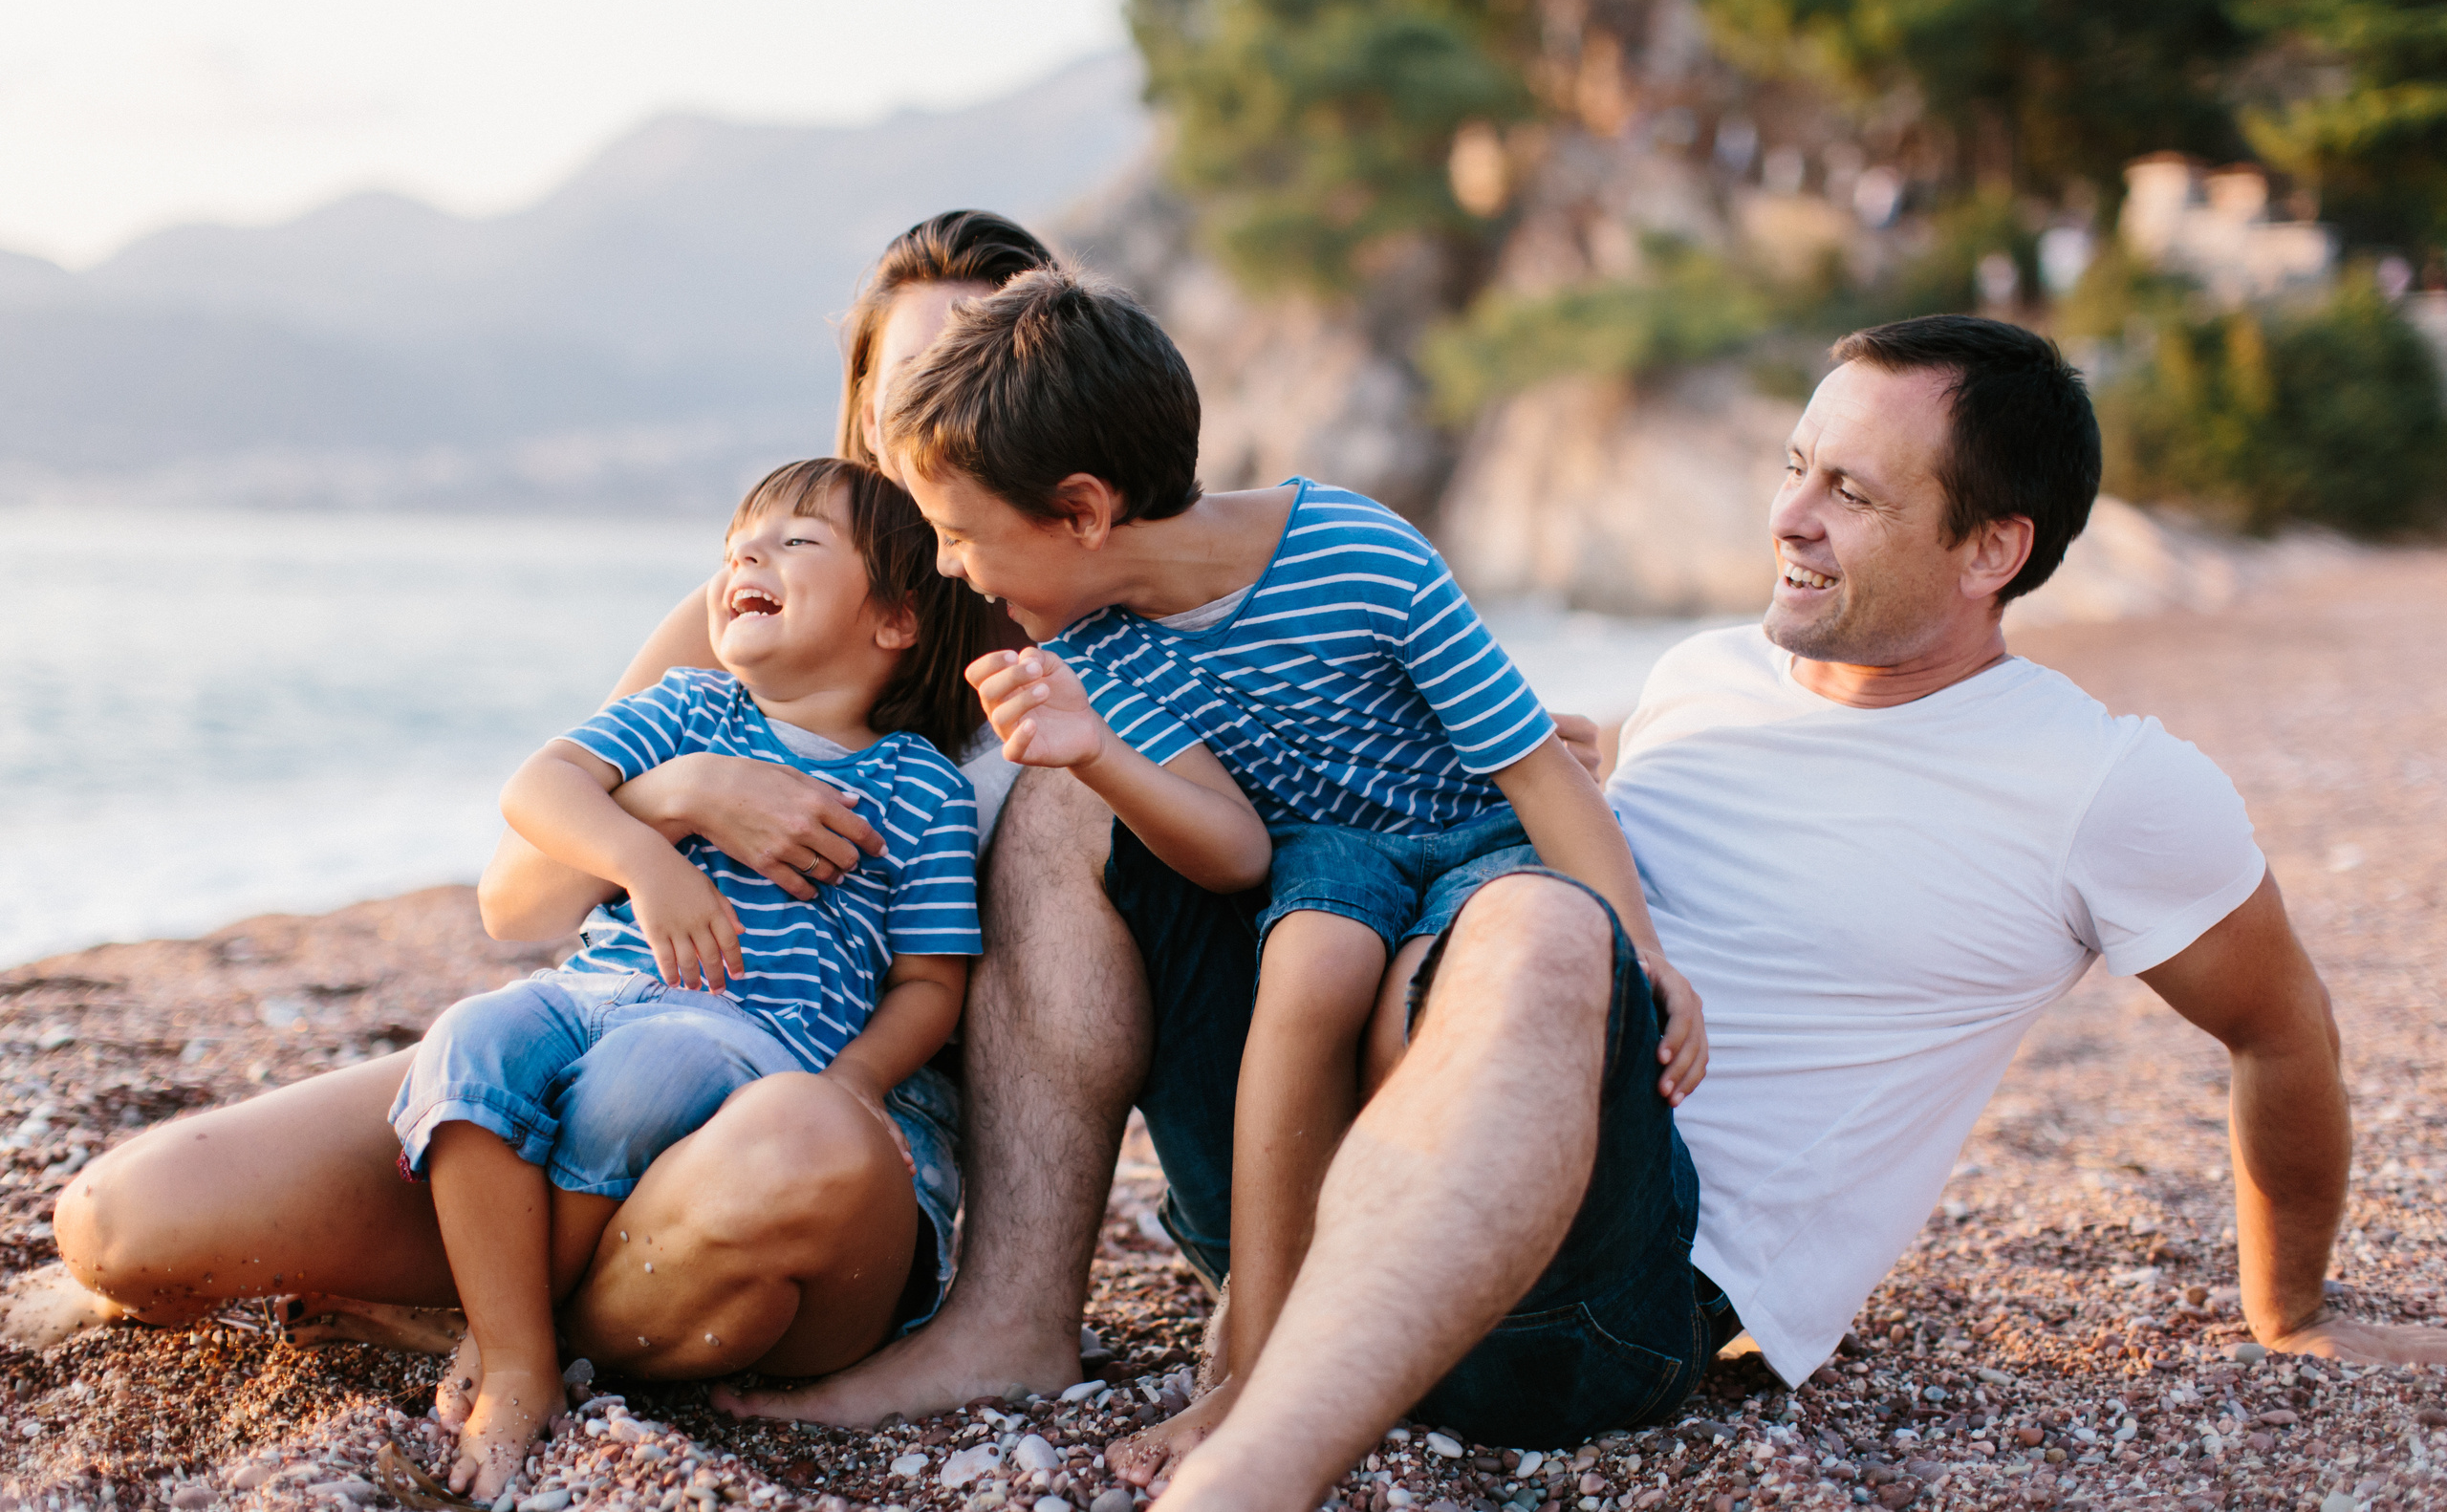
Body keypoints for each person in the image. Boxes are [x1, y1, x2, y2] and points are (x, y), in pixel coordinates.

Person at [763, 313, 2447, 1512]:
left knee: (1553, 927)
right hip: (1332, 1171)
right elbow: (1519, 796)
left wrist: (2286, 1306)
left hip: (1602, 1305)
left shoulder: (2106, 782)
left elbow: (2280, 1024)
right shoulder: (1708, 672)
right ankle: (1014, 1321)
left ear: (1996, 546)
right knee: (1072, 780)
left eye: (1852, 492)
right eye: (1797, 464)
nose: (1786, 513)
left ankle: (1257, 1466)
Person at [1, 211, 1057, 1373]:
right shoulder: (740, 633)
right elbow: (518, 904)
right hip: (597, 1055)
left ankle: (503, 1329)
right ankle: (517, 1311)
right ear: (863, 411)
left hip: (815, 1129)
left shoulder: (1087, 657)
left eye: (978, 366)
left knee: (792, 1148)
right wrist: (683, 796)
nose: (940, 408)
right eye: (909, 378)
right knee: (127, 1223)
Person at [722, 266, 1714, 1478]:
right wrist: (1091, 755)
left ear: (1083, 512)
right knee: (1314, 954)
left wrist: (1645, 953)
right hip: (1324, 867)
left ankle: (1280, 1352)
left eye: (960, 533)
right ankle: (1238, 1330)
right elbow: (1234, 846)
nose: (947, 565)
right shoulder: (1088, 639)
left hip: (1471, 857)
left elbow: (1537, 773)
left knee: (1409, 968)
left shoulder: (1357, 552)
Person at [404, 458, 988, 1497]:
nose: (747, 558)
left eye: (795, 543)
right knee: (468, 1042)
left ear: (894, 620)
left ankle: (518, 1353)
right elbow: (539, 787)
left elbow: (930, 985)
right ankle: (513, 1343)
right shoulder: (686, 709)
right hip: (592, 992)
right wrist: (644, 857)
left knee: (652, 1073)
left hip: (754, 1039)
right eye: (735, 546)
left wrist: (857, 1081)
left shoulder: (920, 786)